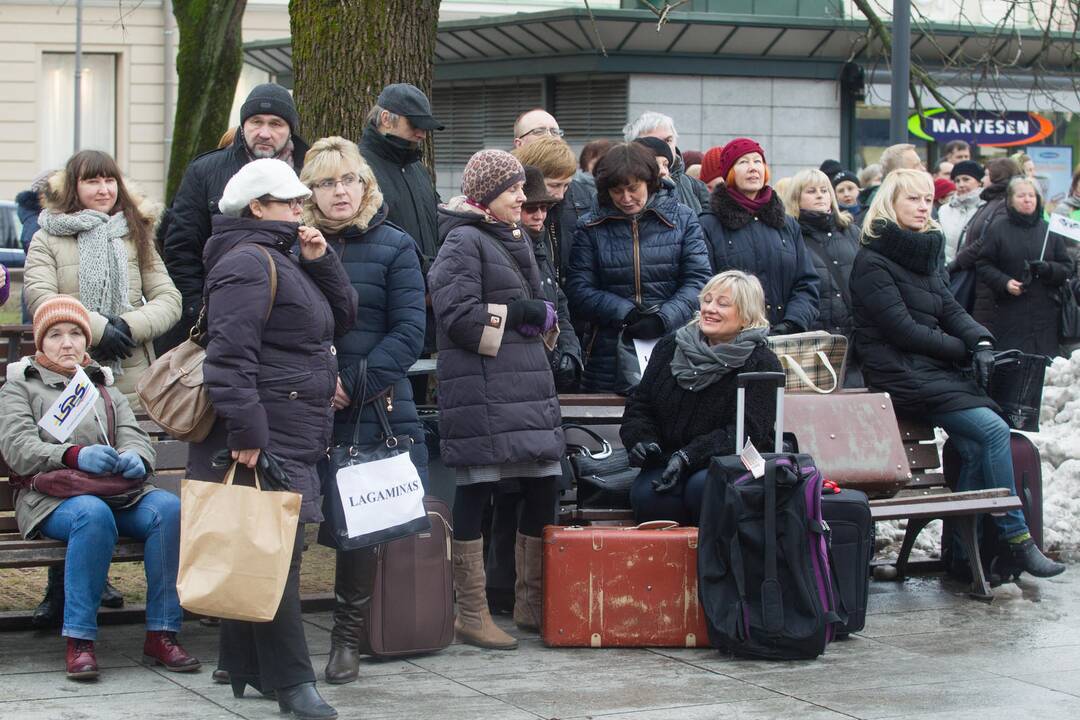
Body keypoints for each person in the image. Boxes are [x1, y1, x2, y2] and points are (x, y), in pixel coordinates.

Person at [185, 158, 357, 720]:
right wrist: (248, 430)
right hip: (269, 428)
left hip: (292, 423)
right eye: (288, 203)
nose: (299, 211)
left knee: (263, 546)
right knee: (273, 555)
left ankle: (246, 668)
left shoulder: (280, 257)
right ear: (257, 208)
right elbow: (229, 357)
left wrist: (322, 260)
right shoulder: (246, 263)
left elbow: (342, 317)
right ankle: (292, 683)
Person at [849, 169, 1064, 579]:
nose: (922, 206)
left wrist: (981, 341)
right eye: (912, 199)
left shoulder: (925, 252)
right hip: (899, 373)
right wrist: (963, 350)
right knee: (993, 431)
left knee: (974, 447)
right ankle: (1016, 538)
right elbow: (901, 330)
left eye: (927, 199)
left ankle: (967, 557)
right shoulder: (872, 260)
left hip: (932, 371)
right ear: (890, 204)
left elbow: (949, 308)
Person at [0, 296, 199, 680]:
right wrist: (74, 455)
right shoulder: (20, 388)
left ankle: (162, 632)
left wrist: (135, 458)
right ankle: (80, 640)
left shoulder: (100, 383)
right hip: (51, 497)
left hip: (115, 491)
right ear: (40, 343)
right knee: (91, 515)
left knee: (168, 511)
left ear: (87, 341)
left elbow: (134, 435)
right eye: (55, 335)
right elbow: (19, 450)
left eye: (75, 333)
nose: (67, 342)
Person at [297, 137, 427, 686]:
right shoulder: (292, 245)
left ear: (365, 184)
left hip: (371, 406)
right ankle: (268, 641)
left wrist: (351, 383)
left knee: (359, 525)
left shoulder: (395, 245)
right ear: (310, 192)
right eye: (326, 183)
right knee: (292, 521)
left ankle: (346, 639)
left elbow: (410, 332)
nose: (339, 192)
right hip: (302, 404)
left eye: (348, 180)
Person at [429, 150, 564, 648]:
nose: (523, 198)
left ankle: (531, 604)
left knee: (544, 485)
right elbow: (458, 317)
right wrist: (521, 313)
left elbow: (534, 307)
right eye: (513, 190)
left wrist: (542, 316)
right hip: (483, 391)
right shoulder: (463, 240)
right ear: (487, 195)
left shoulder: (512, 235)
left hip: (525, 386)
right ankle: (473, 612)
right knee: (477, 490)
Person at [620, 271, 782, 524]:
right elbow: (641, 405)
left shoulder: (762, 362)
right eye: (707, 300)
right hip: (668, 458)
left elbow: (748, 432)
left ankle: (714, 563)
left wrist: (688, 456)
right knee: (650, 497)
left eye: (723, 304)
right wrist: (642, 440)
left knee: (704, 489)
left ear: (746, 315)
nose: (710, 309)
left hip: (730, 461)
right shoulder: (671, 346)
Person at [24, 150, 181, 406]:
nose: (104, 190)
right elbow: (41, 298)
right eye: (92, 181)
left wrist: (126, 326)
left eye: (110, 181)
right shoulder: (47, 238)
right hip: (68, 371)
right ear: (73, 187)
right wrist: (99, 331)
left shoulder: (134, 233)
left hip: (133, 375)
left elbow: (169, 299)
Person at [162, 83, 309, 352]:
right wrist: (201, 314)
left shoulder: (310, 171)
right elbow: (181, 251)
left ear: (290, 129)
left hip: (293, 325)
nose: (264, 132)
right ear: (243, 125)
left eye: (276, 123)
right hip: (221, 319)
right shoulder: (205, 171)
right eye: (256, 122)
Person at [566, 143, 711, 392]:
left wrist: (663, 318)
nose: (626, 198)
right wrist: (625, 313)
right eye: (617, 191)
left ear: (650, 182)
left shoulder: (682, 218)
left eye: (633, 189)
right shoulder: (590, 225)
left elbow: (698, 280)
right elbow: (579, 288)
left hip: (673, 342)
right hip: (608, 352)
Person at [699, 138, 820, 335]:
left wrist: (792, 323)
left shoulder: (787, 224)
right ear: (729, 173)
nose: (753, 168)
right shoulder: (709, 224)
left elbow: (806, 282)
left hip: (785, 336)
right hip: (731, 341)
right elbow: (704, 287)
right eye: (743, 162)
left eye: (757, 161)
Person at [781, 168, 862, 386]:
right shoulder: (789, 235)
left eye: (825, 190)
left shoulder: (850, 231)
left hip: (856, 339)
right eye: (812, 191)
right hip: (815, 337)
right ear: (796, 198)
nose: (820, 195)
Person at [975, 177, 1071, 357]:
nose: (1027, 200)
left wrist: (1048, 269)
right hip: (1010, 313)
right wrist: (1004, 282)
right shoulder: (997, 228)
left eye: (1031, 195)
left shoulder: (1049, 229)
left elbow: (1067, 267)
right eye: (1021, 196)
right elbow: (983, 264)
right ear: (1010, 200)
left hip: (1046, 317)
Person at [360, 83, 443, 274]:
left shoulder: (417, 168)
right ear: (386, 119)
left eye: (425, 127)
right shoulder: (358, 168)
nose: (422, 134)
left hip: (429, 289)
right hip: (388, 290)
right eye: (415, 124)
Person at [948, 158, 1024, 312]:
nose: (982, 179)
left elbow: (986, 240)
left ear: (998, 177)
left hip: (988, 283)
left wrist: (956, 264)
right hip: (978, 279)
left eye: (987, 175)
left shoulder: (1004, 203)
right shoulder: (992, 201)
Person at [511, 136, 590, 284]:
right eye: (554, 185)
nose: (560, 195)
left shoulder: (580, 199)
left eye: (566, 185)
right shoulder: (510, 212)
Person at [622, 111, 710, 212]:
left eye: (668, 140)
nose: (664, 147)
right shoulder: (617, 188)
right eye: (653, 142)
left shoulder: (696, 187)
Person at [938, 160, 984, 263]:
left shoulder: (985, 208)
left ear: (979, 182)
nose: (961, 184)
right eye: (957, 181)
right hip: (946, 271)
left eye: (966, 179)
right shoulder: (944, 210)